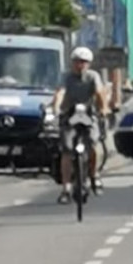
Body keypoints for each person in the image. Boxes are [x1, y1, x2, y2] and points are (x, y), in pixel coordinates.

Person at [51, 46, 108, 204]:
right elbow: (60, 92)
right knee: (67, 149)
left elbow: (99, 92)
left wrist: (103, 109)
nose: (80, 65)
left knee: (93, 142)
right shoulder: (66, 77)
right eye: (77, 62)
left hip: (88, 114)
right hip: (69, 115)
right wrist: (56, 108)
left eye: (83, 62)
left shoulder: (93, 76)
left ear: (89, 64)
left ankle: (94, 174)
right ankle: (66, 188)